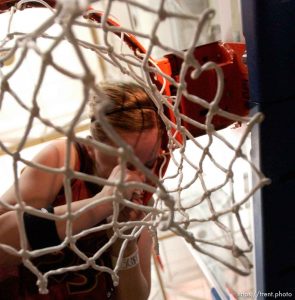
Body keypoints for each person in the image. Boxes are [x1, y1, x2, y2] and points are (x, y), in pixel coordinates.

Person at [0, 82, 166, 300]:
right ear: (94, 147)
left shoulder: (143, 199)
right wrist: (102, 203)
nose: (139, 177)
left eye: (150, 163)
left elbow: (135, 297)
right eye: (127, 165)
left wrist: (122, 243)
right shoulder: (65, 159)